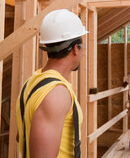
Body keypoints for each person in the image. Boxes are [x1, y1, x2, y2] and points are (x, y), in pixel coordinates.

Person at [16, 9, 88, 158]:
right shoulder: (56, 93)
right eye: (83, 47)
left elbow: (22, 135)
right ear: (76, 49)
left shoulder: (33, 82)